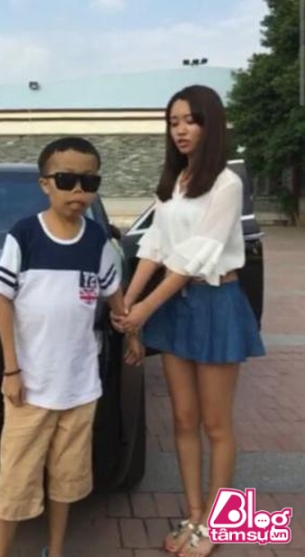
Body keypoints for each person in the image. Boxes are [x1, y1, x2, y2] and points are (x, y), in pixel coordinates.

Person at [112, 85, 265, 557]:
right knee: (182, 419)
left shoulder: (226, 183)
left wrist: (144, 309)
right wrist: (127, 304)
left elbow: (195, 256)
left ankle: (217, 526)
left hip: (215, 303)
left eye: (190, 120)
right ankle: (195, 513)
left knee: (216, 424)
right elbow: (155, 247)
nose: (180, 130)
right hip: (176, 305)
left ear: (210, 124)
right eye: (174, 121)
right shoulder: (174, 183)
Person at [0, 136, 144, 557]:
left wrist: (132, 333)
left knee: (66, 480)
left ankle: (55, 550)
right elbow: (2, 300)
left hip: (79, 388)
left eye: (88, 181)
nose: (78, 190)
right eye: (66, 179)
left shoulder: (97, 240)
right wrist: (12, 370)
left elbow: (114, 294)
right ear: (45, 184)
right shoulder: (24, 235)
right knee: (15, 480)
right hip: (30, 390)